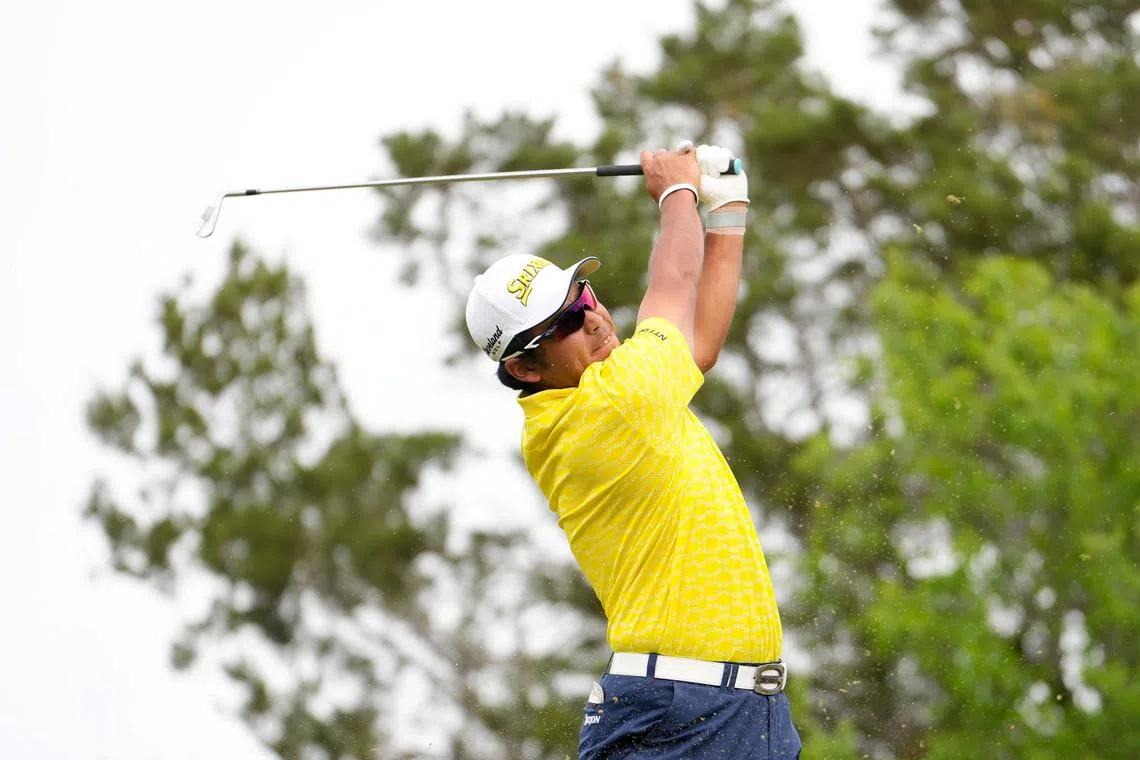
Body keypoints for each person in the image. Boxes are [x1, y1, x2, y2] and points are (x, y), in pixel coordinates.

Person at [464, 142, 800, 759]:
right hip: (681, 716)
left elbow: (698, 345)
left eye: (584, 295)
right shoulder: (610, 405)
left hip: (741, 712)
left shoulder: (616, 394)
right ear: (526, 367)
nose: (594, 318)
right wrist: (676, 192)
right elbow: (674, 283)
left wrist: (726, 212)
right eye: (567, 321)